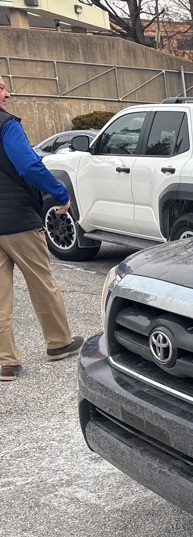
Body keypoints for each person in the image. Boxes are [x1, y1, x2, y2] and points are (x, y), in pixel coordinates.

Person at [0, 74, 83, 382]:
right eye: (1, 87)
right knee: (41, 282)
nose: (7, 94)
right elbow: (28, 165)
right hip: (18, 219)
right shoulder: (6, 124)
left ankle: (6, 362)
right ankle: (59, 343)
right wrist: (60, 193)